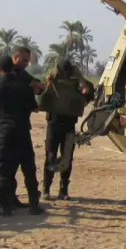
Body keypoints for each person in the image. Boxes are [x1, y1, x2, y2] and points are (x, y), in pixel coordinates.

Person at [0, 46, 44, 216]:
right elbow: (34, 107)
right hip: (22, 131)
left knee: (3, 170)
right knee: (28, 169)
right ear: (13, 65)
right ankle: (34, 205)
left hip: (3, 134)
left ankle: (5, 207)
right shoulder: (24, 87)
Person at [38, 58, 95, 200]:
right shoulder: (52, 81)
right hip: (53, 124)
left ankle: (63, 190)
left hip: (69, 124)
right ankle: (46, 189)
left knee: (66, 158)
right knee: (50, 156)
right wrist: (49, 83)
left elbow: (87, 92)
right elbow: (41, 98)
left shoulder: (77, 84)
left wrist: (80, 78)